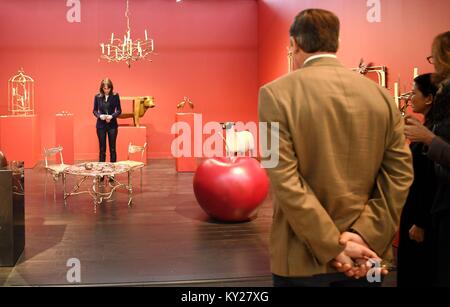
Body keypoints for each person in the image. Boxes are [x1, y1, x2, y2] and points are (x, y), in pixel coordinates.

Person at [258, 8, 413, 287]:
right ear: (336, 43)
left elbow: (281, 176)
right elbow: (400, 174)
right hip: (368, 256)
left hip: (301, 257)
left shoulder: (274, 94)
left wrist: (333, 246)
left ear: (294, 43)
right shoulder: (381, 95)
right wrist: (363, 235)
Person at [397, 74, 438, 287]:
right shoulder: (428, 127)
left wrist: (420, 222)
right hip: (415, 211)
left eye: (414, 93)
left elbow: (430, 180)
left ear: (429, 98)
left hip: (420, 215)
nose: (410, 97)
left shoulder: (433, 132)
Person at [92, 78, 122, 179]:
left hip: (112, 125)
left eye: (108, 88)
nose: (106, 90)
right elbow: (95, 110)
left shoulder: (115, 96)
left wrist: (112, 116)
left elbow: (119, 110)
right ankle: (101, 172)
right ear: (102, 88)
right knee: (102, 149)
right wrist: (100, 116)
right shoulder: (97, 96)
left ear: (111, 88)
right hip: (101, 125)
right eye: (104, 88)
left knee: (112, 149)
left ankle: (112, 172)